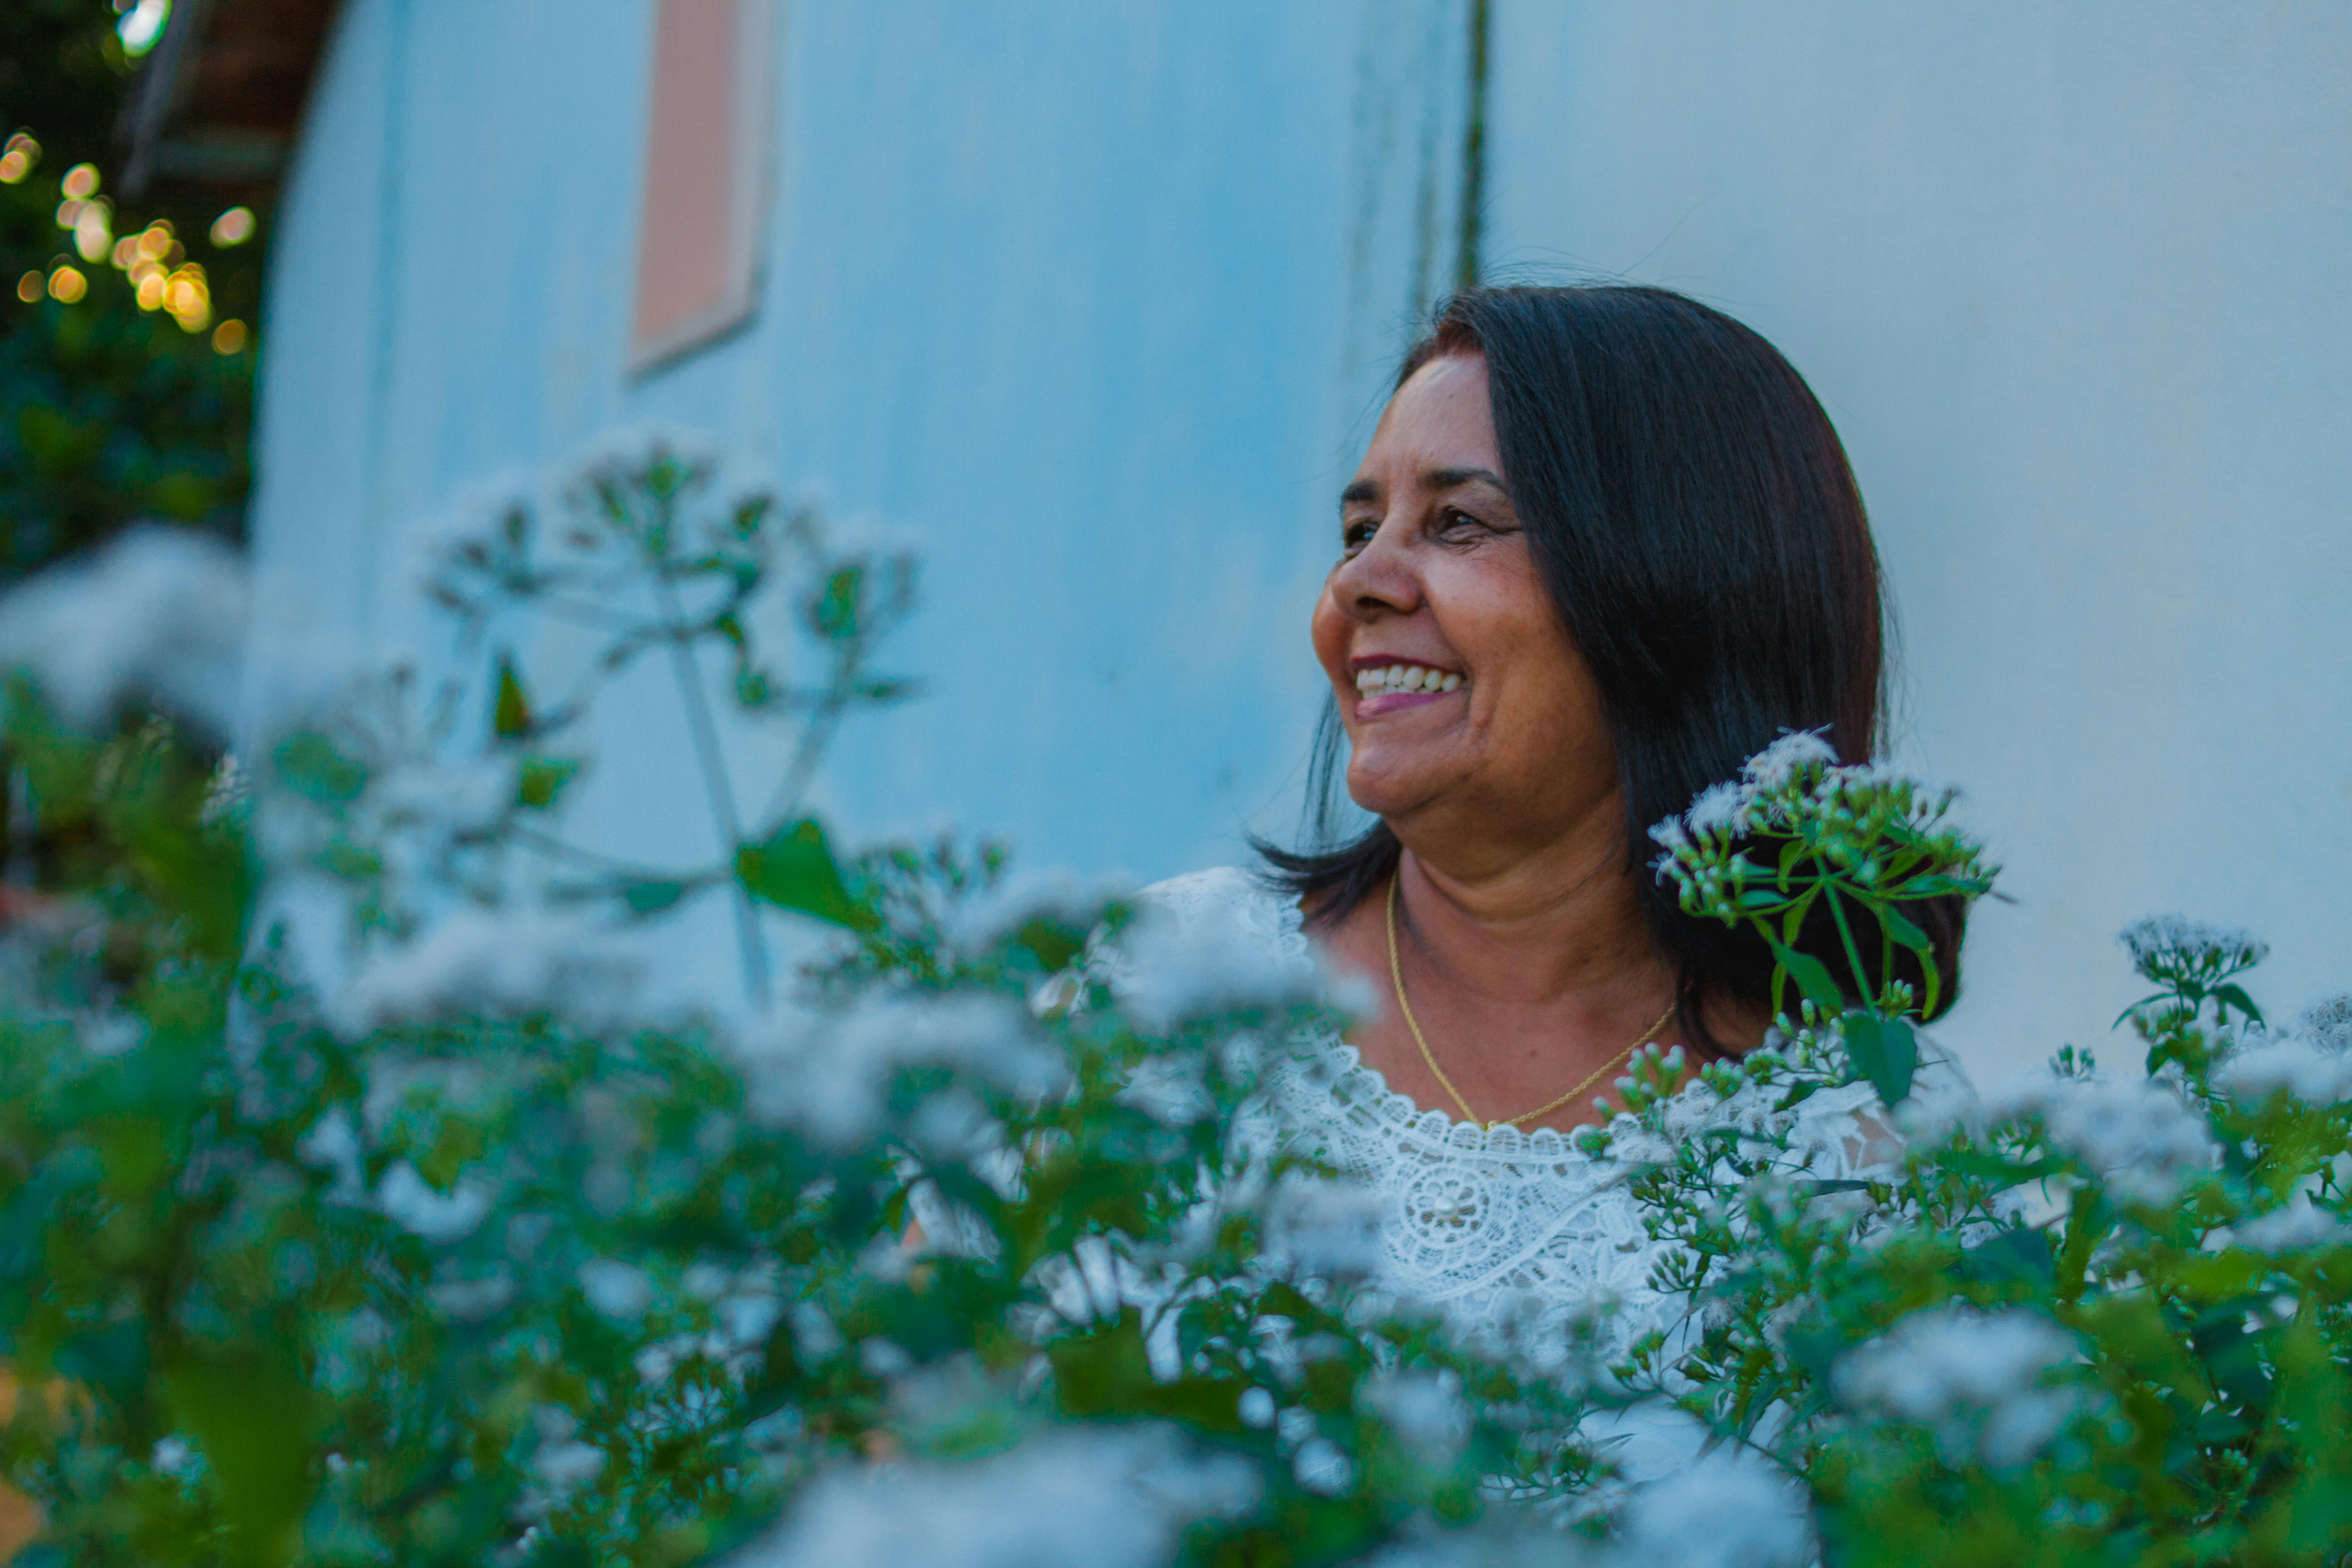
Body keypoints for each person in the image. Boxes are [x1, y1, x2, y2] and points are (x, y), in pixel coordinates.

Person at [1139, 284, 1969, 1358]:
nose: (1359, 585)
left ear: (1676, 587)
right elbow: (894, 1430)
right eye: (1358, 531)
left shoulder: (1866, 1140)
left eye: (1459, 522)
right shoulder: (1156, 989)